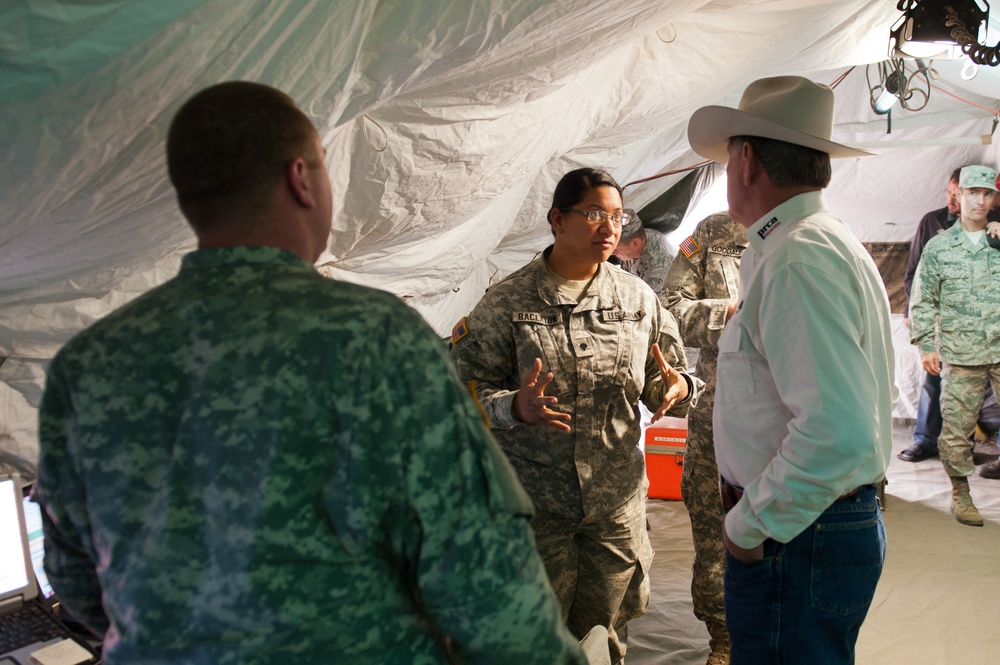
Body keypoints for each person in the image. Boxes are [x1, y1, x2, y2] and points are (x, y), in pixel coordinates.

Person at [35, 81, 588, 665]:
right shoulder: (375, 338)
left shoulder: (89, 363)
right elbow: (484, 581)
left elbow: (77, 582)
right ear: (301, 179)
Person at [449, 167, 701, 665]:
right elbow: (461, 395)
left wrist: (677, 387)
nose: (609, 228)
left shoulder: (637, 300)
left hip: (614, 511)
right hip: (536, 513)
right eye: (592, 215)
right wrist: (513, 406)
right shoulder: (508, 303)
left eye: (617, 216)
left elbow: (668, 378)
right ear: (557, 220)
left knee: (605, 638)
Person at [687, 76, 896, 663]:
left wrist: (748, 527)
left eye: (730, 154)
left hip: (797, 531)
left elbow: (837, 433)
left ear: (747, 158)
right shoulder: (803, 245)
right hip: (813, 524)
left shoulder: (798, 256)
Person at [660, 211, 747, 665]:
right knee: (714, 525)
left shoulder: (811, 234)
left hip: (792, 412)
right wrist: (729, 312)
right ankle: (723, 636)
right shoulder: (713, 234)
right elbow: (669, 306)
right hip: (720, 409)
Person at [909, 165, 1000, 523]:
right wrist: (926, 345)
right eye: (971, 193)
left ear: (993, 199)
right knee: (957, 430)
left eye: (986, 193)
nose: (979, 200)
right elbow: (922, 299)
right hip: (963, 354)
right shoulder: (940, 247)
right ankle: (961, 494)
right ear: (958, 198)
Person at [609, 211, 674, 294]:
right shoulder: (635, 238)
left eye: (616, 249)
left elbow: (650, 303)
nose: (612, 253)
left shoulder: (658, 265)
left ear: (634, 243)